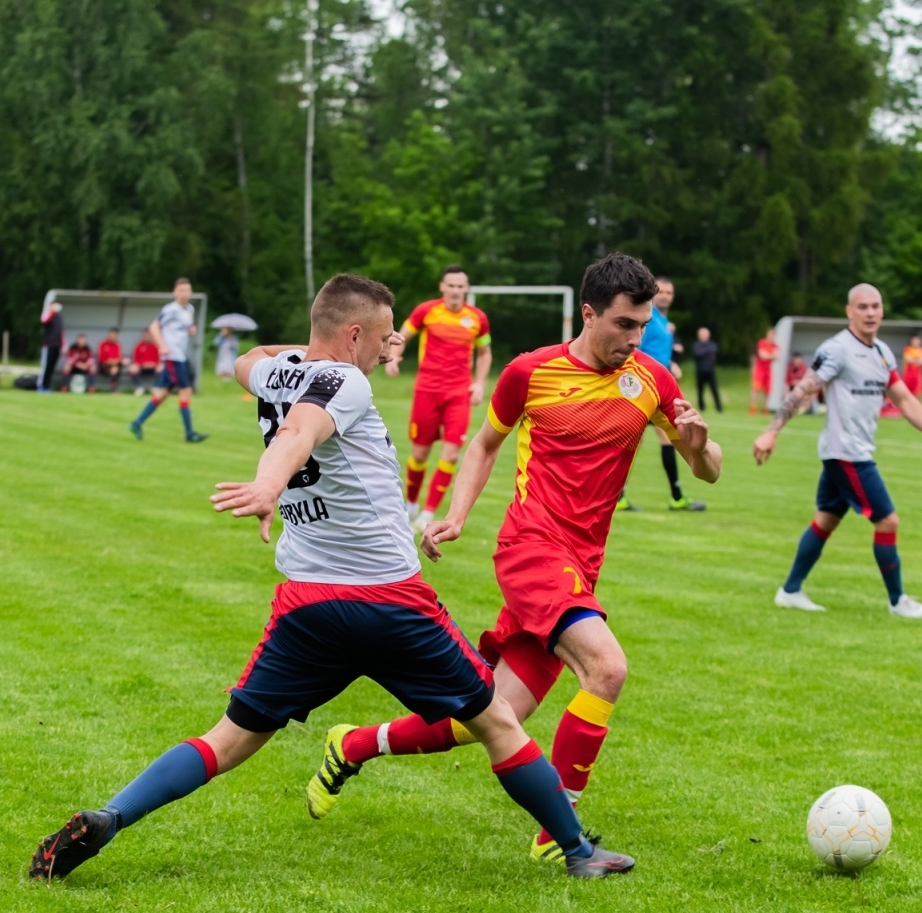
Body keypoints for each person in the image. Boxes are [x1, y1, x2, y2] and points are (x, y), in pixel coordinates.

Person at [29, 273, 633, 882]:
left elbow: (248, 359)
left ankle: (111, 815)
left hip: (307, 605)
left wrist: (325, 349)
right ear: (352, 335)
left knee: (231, 739)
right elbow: (301, 430)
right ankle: (578, 851)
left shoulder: (278, 372)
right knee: (498, 722)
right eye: (383, 335)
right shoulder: (345, 383)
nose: (391, 345)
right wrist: (268, 483)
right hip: (391, 602)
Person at [304, 253, 721, 865]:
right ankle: (562, 830)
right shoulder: (532, 372)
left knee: (489, 716)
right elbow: (485, 443)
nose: (635, 339)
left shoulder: (653, 380)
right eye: (624, 325)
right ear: (589, 313)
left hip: (582, 563)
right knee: (606, 669)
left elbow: (705, 472)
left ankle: (354, 745)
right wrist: (457, 513)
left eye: (642, 325)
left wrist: (700, 443)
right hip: (531, 548)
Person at [753, 283, 922, 619]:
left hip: (850, 452)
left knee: (825, 520)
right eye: (862, 307)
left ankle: (790, 591)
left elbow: (903, 398)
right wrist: (771, 431)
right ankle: (898, 601)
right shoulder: (837, 350)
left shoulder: (882, 353)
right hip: (848, 455)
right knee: (888, 522)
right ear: (849, 311)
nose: (871, 312)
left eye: (876, 306)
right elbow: (804, 389)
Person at [387, 265, 492, 535]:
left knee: (452, 453)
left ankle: (428, 513)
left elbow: (484, 354)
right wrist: (395, 356)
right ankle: (410, 506)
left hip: (459, 394)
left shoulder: (477, 318)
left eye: (460, 286)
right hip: (427, 391)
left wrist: (479, 383)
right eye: (451, 285)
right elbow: (402, 335)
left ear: (466, 289)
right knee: (420, 453)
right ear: (442, 287)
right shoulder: (427, 311)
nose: (456, 291)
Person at [619, 274, 704, 512]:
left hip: (658, 389)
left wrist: (671, 365)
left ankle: (675, 496)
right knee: (633, 441)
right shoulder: (645, 320)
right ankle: (619, 496)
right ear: (654, 294)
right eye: (662, 292)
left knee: (666, 437)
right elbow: (637, 353)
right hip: (642, 388)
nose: (666, 296)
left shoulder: (665, 323)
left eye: (670, 292)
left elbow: (660, 354)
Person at [128, 278, 207, 442]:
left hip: (181, 356)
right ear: (175, 292)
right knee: (186, 391)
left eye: (187, 290)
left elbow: (186, 326)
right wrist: (162, 346)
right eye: (181, 291)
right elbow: (154, 327)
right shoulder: (170, 309)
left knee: (163, 393)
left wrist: (191, 328)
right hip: (173, 356)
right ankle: (189, 433)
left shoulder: (189, 309)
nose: (185, 294)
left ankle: (137, 423)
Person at [691, 326, 722, 412]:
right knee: (700, 390)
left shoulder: (712, 344)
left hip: (710, 371)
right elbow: (698, 354)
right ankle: (701, 407)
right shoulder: (696, 345)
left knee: (714, 390)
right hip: (700, 371)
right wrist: (707, 353)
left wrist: (705, 352)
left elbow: (714, 351)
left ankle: (719, 408)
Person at [750, 328, 779, 415]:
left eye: (773, 335)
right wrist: (771, 355)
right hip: (760, 370)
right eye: (770, 334)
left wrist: (768, 355)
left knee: (767, 391)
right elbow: (762, 355)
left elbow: (778, 356)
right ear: (767, 334)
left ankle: (765, 408)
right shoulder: (762, 343)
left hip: (768, 371)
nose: (772, 336)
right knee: (756, 389)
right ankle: (753, 408)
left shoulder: (775, 345)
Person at [40, 302, 64, 392]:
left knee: (51, 367)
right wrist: (51, 312)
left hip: (57, 345)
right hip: (49, 345)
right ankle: (42, 385)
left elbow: (61, 333)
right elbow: (44, 321)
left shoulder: (58, 318)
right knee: (46, 366)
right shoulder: (47, 315)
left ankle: (47, 385)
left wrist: (63, 345)